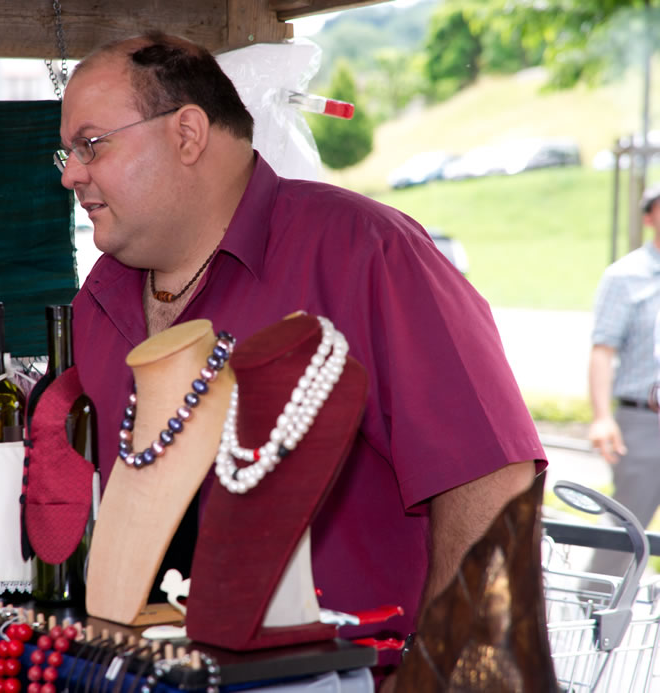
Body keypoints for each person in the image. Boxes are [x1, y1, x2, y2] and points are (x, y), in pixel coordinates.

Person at [59, 31, 542, 682]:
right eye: (66, 152)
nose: (71, 173)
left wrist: (431, 676)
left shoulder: (364, 251)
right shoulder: (97, 302)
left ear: (187, 134)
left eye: (91, 144)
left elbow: (491, 481)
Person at [588, 184, 660, 575]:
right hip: (645, 420)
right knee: (626, 531)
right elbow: (603, 349)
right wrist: (602, 416)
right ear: (649, 216)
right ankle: (597, 604)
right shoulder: (625, 277)